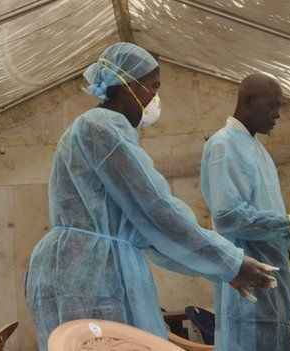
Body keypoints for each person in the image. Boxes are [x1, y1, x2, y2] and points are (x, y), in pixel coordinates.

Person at [25, 43, 275, 351]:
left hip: (89, 267)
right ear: (128, 85)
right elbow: (158, 210)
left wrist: (224, 268)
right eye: (153, 87)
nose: (155, 99)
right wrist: (231, 262)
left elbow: (151, 233)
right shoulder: (100, 128)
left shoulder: (106, 131)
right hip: (86, 273)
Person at [200, 73, 290, 351]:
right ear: (248, 101)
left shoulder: (256, 149)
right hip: (247, 287)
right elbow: (229, 217)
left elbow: (263, 218)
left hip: (272, 281)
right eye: (272, 106)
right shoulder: (224, 145)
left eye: (280, 107)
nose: (277, 115)